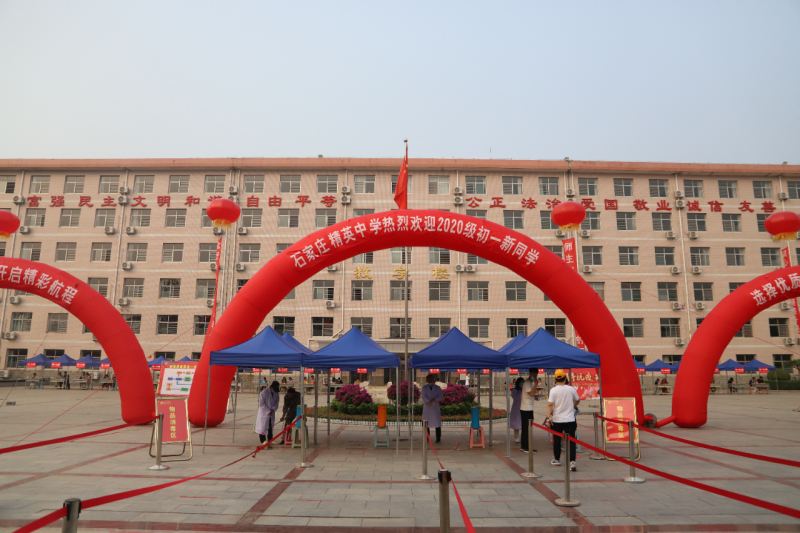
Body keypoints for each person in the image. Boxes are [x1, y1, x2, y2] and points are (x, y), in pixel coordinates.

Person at [545, 369, 580, 471]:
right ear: (565, 378)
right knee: (571, 441)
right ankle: (572, 462)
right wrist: (574, 405)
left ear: (555, 379)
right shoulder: (571, 389)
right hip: (570, 419)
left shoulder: (553, 390)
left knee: (557, 440)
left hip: (558, 420)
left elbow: (550, 404)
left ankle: (557, 459)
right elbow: (577, 400)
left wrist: (548, 417)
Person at [520, 369, 538, 453]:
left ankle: (524, 445)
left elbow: (531, 394)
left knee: (526, 428)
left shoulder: (530, 382)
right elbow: (531, 393)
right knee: (527, 428)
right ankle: (526, 446)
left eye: (536, 374)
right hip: (526, 408)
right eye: (533, 373)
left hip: (527, 407)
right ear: (529, 373)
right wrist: (536, 385)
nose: (535, 376)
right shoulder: (527, 383)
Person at [421, 373, 443, 443]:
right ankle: (427, 438)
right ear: (426, 380)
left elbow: (440, 396)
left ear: (433, 380)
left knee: (437, 424)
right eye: (428, 380)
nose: (430, 381)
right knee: (426, 423)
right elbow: (423, 396)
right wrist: (428, 401)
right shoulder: (424, 388)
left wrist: (435, 399)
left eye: (431, 379)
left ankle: (438, 438)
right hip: (427, 407)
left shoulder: (437, 388)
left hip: (435, 407)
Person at [510, 377, 524, 442]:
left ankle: (523, 436)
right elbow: (516, 398)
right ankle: (516, 437)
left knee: (523, 423)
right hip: (516, 408)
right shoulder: (515, 390)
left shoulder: (525, 390)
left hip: (523, 408)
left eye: (523, 382)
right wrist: (521, 392)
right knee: (516, 423)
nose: (522, 383)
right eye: (521, 382)